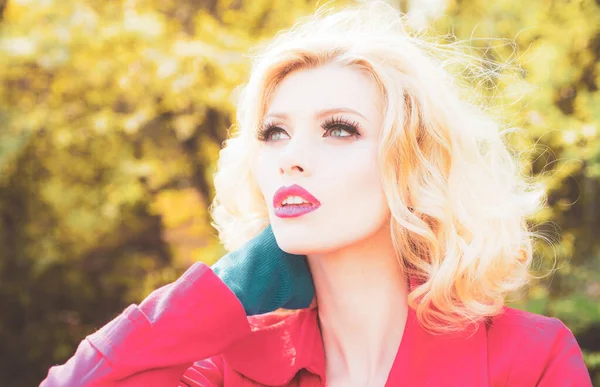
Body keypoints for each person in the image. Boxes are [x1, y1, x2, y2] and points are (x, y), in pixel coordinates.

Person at [40, 1, 592, 386]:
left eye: (339, 128)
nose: (291, 157)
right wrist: (234, 284)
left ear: (412, 162)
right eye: (274, 132)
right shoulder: (230, 367)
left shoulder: (529, 358)